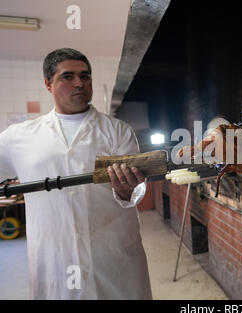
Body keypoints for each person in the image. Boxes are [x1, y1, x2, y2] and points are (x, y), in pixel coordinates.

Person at [0, 48, 152, 299]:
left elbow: (134, 191)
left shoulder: (117, 131)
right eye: (67, 77)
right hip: (54, 258)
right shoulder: (19, 137)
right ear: (48, 83)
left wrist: (127, 189)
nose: (80, 83)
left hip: (111, 254)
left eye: (85, 76)